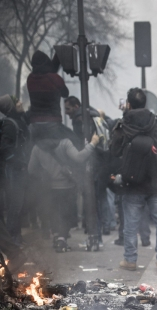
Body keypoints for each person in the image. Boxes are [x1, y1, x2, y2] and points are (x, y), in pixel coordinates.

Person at [110, 87, 157, 271]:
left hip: (133, 182)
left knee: (130, 224)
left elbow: (114, 151)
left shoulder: (123, 126)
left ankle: (130, 260)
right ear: (146, 103)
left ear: (128, 104)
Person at [28, 124, 99, 252]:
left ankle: (57, 237)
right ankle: (62, 240)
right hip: (67, 186)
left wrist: (45, 173)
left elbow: (31, 170)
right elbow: (79, 158)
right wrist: (93, 143)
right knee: (66, 213)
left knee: (54, 213)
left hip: (49, 187)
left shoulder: (37, 148)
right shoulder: (64, 143)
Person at [64, 96, 111, 238]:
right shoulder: (95, 116)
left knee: (92, 199)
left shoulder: (79, 120)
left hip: (91, 162)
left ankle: (95, 235)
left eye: (68, 108)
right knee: (100, 197)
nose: (66, 112)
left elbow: (81, 143)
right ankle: (106, 226)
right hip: (102, 162)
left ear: (76, 106)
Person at [0, 95, 30, 245]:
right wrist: (18, 162)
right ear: (11, 106)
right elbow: (5, 148)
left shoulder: (19, 120)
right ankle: (12, 240)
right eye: (17, 101)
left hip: (18, 169)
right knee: (14, 204)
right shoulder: (10, 124)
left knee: (18, 204)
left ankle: (16, 237)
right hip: (13, 171)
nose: (20, 102)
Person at [27, 51, 69, 125]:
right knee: (73, 136)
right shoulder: (55, 78)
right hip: (54, 122)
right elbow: (65, 93)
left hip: (34, 123)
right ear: (47, 62)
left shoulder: (30, 79)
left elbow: (45, 76)